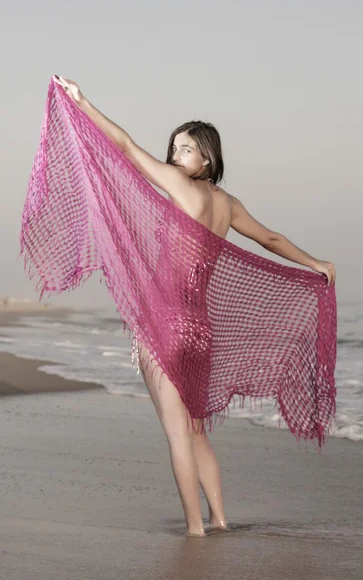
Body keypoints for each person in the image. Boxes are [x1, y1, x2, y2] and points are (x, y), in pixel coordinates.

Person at [53, 76, 336, 537]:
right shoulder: (227, 205)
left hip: (165, 323)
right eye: (174, 148)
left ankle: (195, 530)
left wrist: (82, 102)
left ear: (207, 157)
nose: (173, 156)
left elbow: (123, 146)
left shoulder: (177, 186)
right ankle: (221, 520)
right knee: (197, 430)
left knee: (177, 434)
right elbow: (270, 239)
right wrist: (315, 262)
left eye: (184, 149)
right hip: (199, 329)